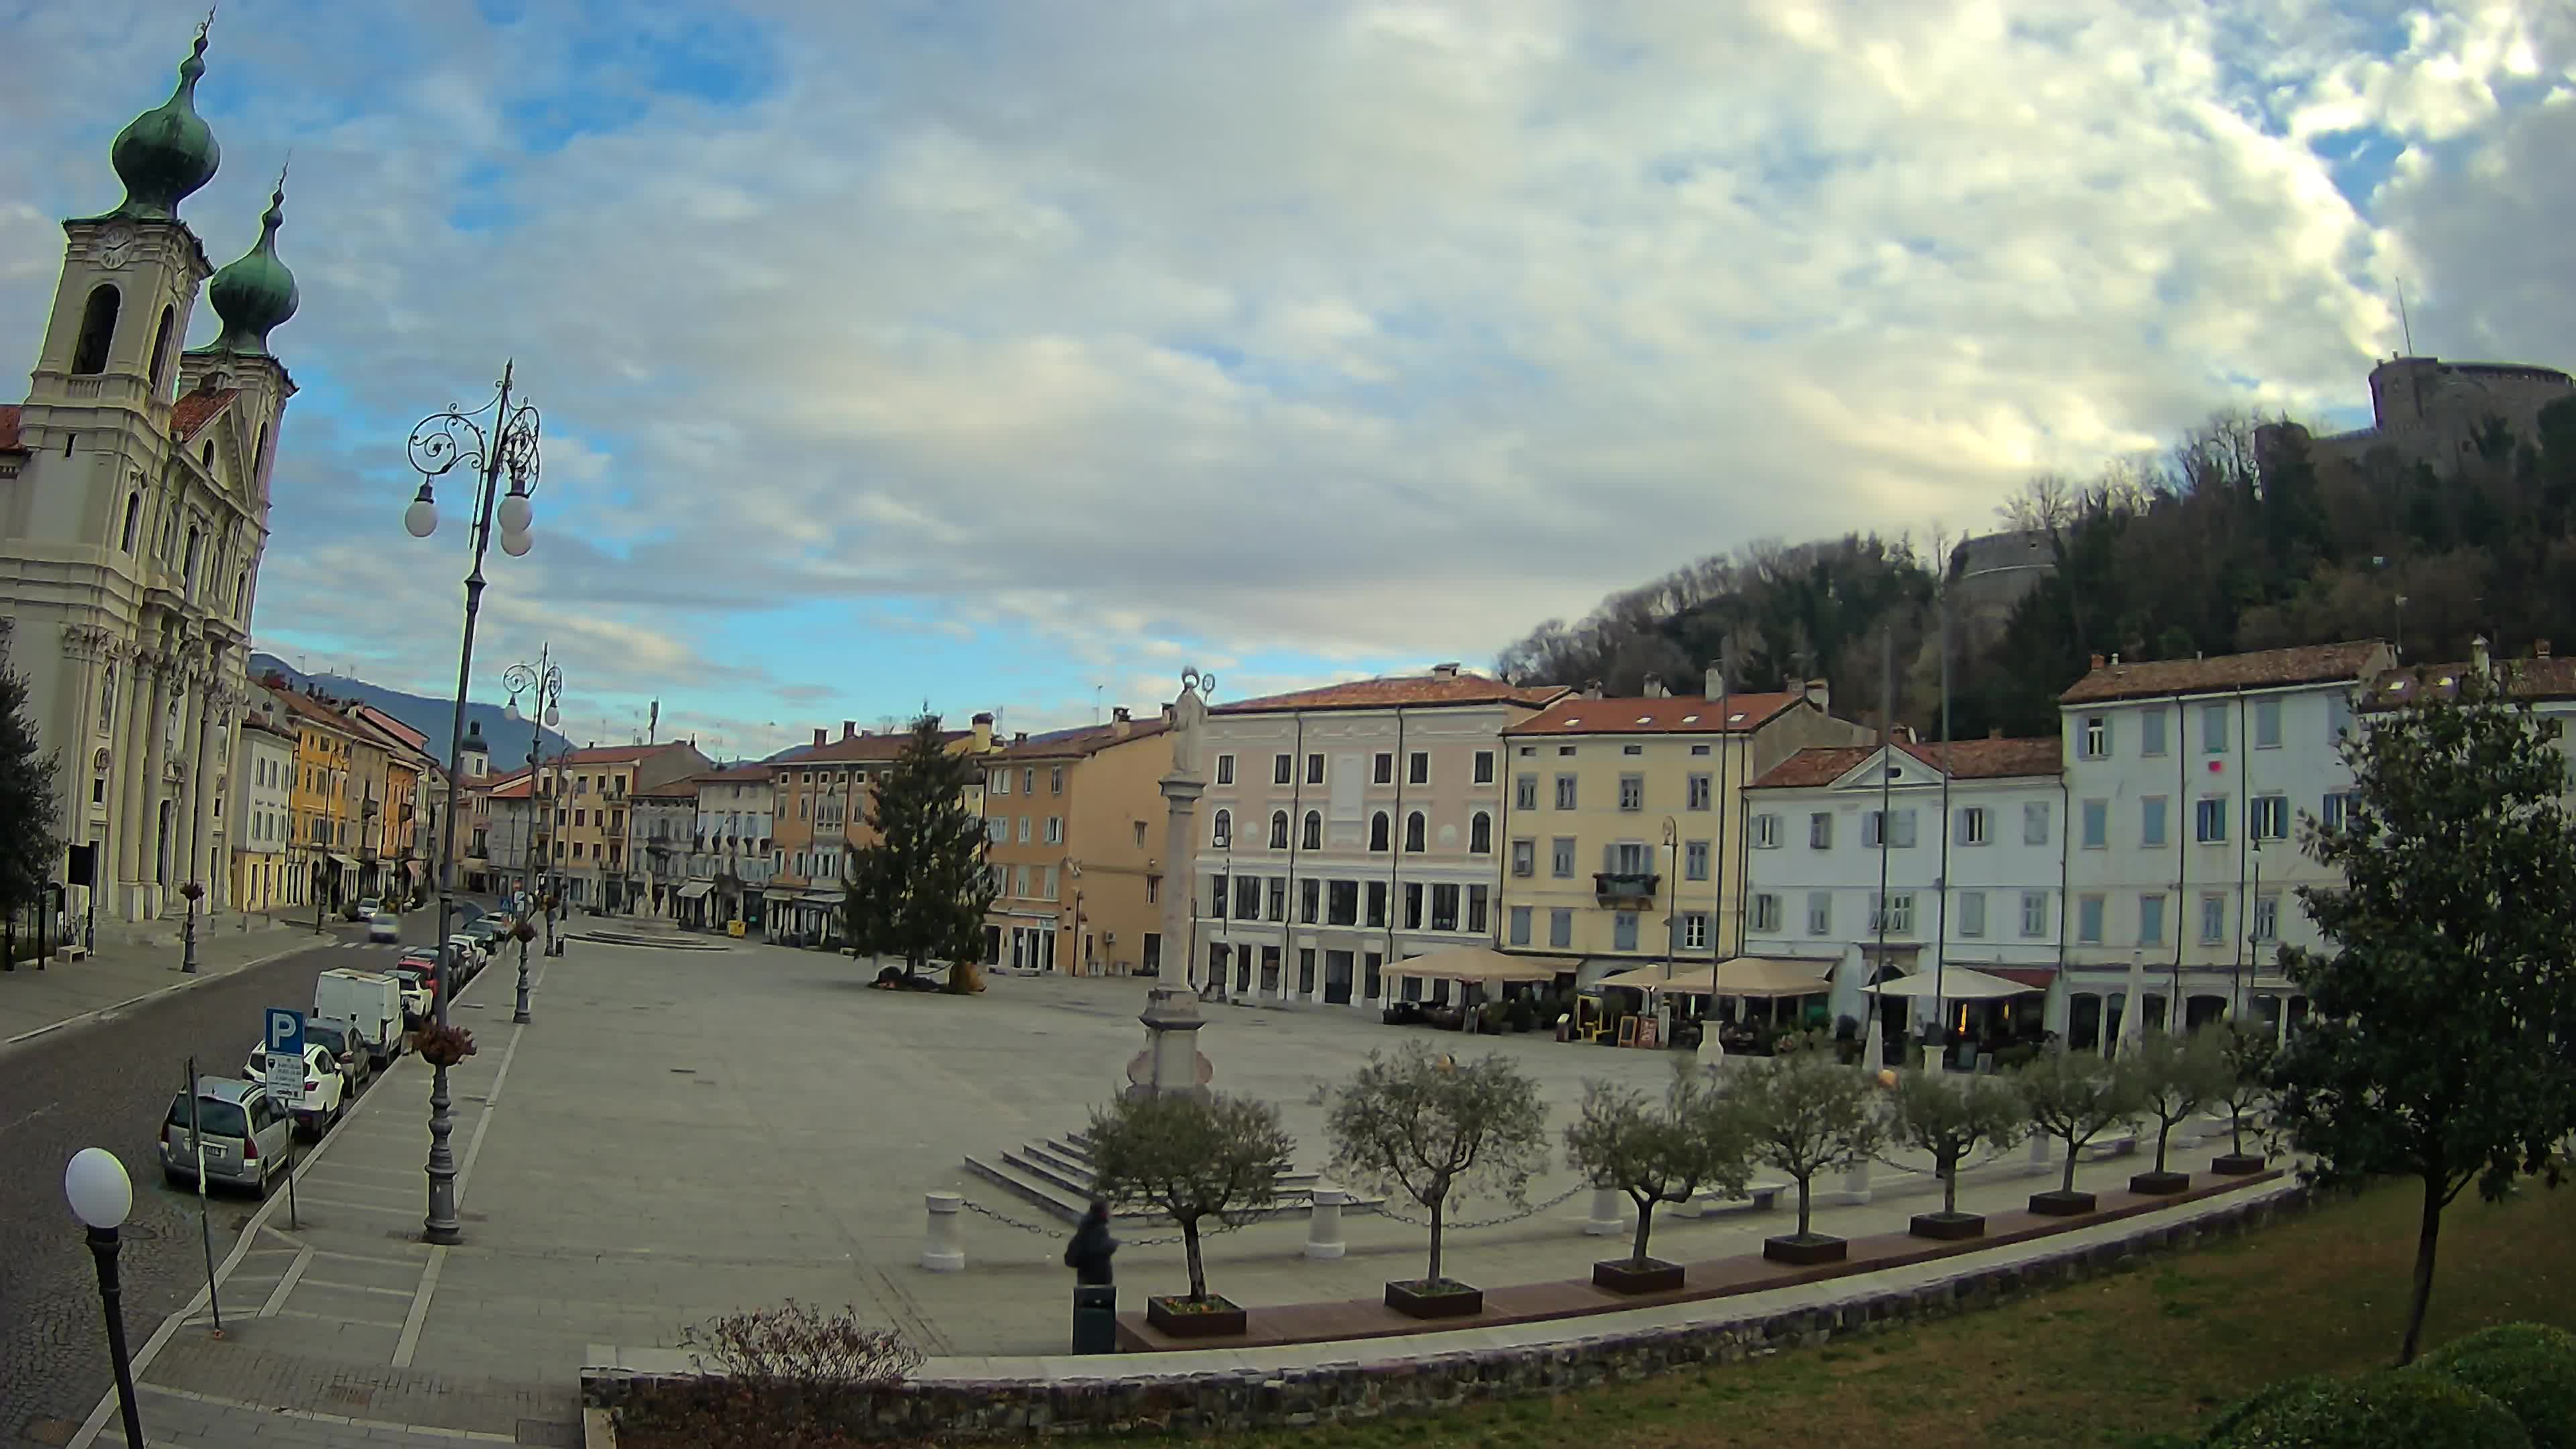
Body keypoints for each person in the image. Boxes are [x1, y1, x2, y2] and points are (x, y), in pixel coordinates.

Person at [1064, 1199, 1118, 1287]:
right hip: (1098, 1277)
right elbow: (1100, 1248)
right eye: (1108, 1210)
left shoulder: (1085, 1226)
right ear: (1103, 1213)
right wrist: (1114, 1244)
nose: (1110, 1214)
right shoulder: (1099, 1228)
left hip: (1085, 1278)